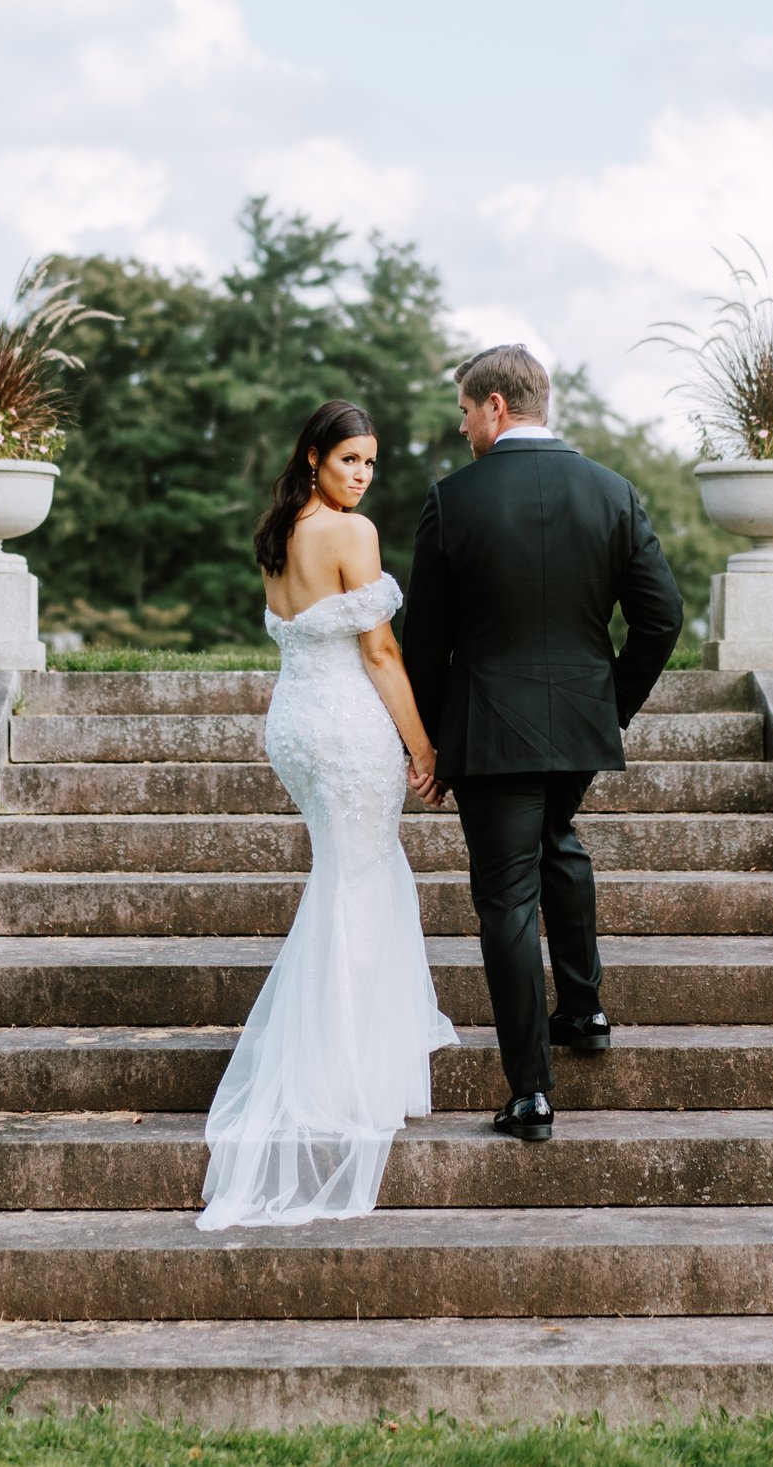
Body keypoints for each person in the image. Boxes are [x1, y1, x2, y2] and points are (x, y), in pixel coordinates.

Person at [401, 345, 683, 1142]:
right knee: (556, 838)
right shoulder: (614, 492)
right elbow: (663, 619)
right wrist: (611, 708)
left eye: (464, 410)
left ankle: (530, 1091)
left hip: (490, 733)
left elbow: (422, 642)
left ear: (495, 405)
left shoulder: (453, 501)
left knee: (506, 901)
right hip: (580, 727)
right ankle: (586, 1009)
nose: (461, 427)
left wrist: (425, 744)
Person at [195, 399, 458, 1230]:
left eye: (371, 463)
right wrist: (423, 746)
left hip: (295, 725)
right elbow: (379, 650)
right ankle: (341, 1074)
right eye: (350, 460)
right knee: (359, 882)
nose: (363, 476)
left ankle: (335, 1056)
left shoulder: (278, 533)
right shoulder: (352, 534)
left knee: (346, 876)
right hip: (344, 727)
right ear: (314, 457)